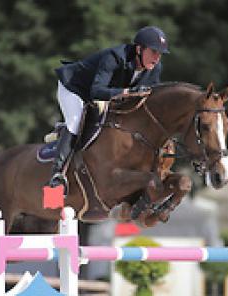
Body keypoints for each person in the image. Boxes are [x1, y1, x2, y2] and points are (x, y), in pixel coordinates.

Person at [48, 26, 170, 195]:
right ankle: (57, 175)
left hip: (105, 96)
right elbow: (96, 91)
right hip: (75, 88)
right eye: (153, 52)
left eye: (160, 53)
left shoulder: (154, 68)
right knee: (75, 122)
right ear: (139, 49)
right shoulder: (114, 57)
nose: (157, 58)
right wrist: (126, 92)